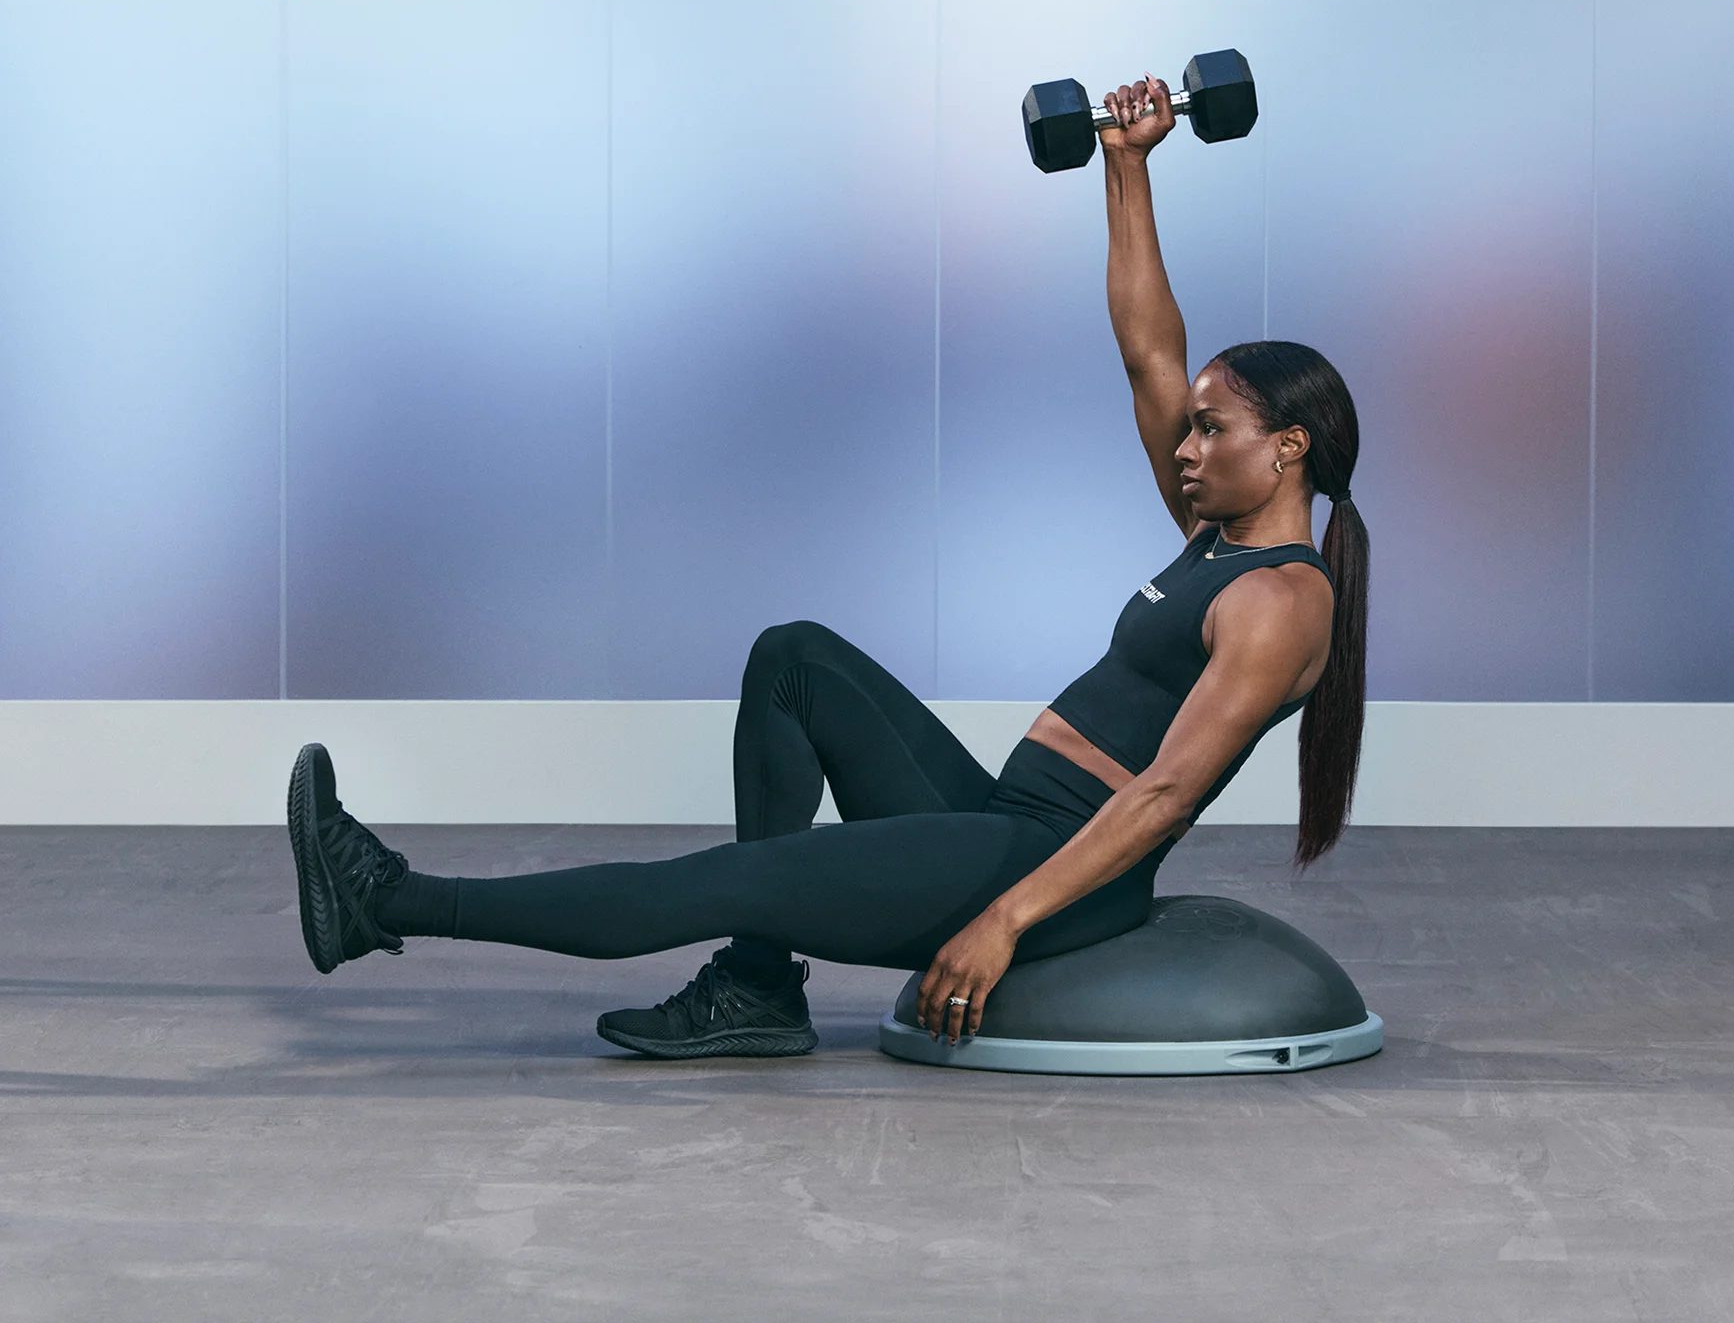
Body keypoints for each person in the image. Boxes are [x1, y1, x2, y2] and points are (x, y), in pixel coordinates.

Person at [286, 73, 1370, 1057]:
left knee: (726, 880)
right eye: (1186, 431)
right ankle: (760, 985)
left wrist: (1002, 922)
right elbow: (1149, 353)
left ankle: (387, 902)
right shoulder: (1211, 536)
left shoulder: (1280, 601)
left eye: (1210, 431)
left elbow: (1168, 795)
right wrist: (1126, 169)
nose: (1184, 448)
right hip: (1004, 815)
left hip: (1048, 870)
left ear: (1287, 449)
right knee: (794, 660)